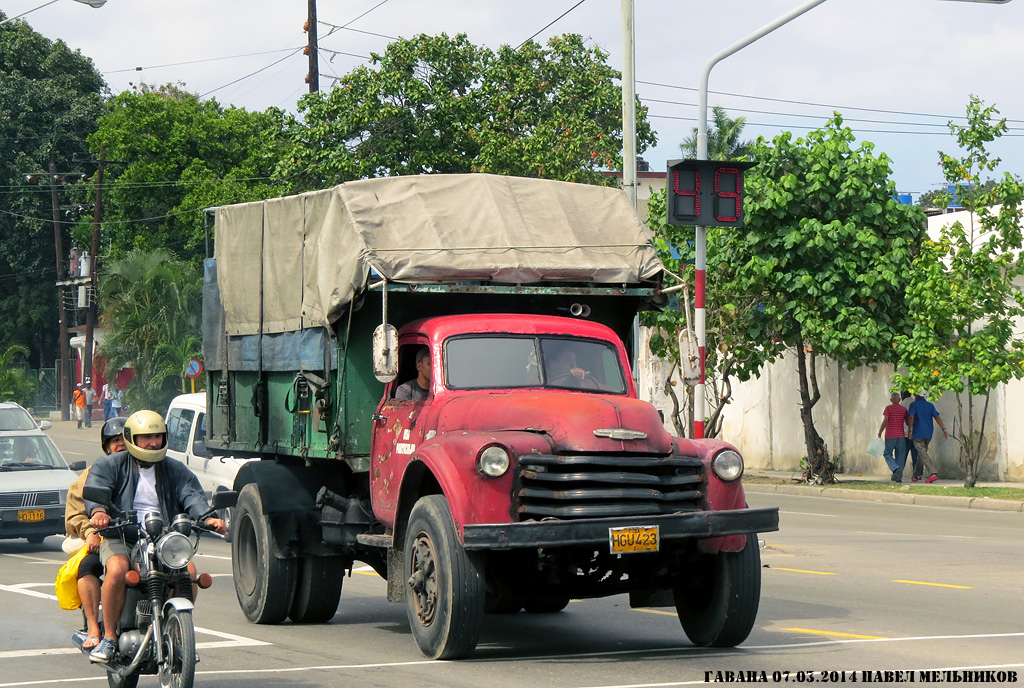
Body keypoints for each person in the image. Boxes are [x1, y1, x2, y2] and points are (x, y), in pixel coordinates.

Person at [83, 410, 226, 663]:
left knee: (189, 572)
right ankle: (109, 638)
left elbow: (191, 495)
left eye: (158, 436)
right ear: (131, 439)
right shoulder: (110, 465)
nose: (153, 443)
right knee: (116, 569)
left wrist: (207, 517)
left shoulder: (174, 469)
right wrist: (99, 512)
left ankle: (178, 632)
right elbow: (97, 492)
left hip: (164, 536)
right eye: (146, 437)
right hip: (122, 534)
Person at [63, 417, 127, 650]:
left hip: (141, 539)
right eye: (115, 441)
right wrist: (91, 532)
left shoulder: (145, 470)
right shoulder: (91, 475)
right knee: (88, 567)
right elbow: (74, 514)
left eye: (124, 440)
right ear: (107, 447)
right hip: (105, 541)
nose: (120, 445)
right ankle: (94, 627)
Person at [907, 393, 948, 483]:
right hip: (928, 433)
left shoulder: (913, 405)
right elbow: (937, 417)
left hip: (918, 433)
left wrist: (910, 430)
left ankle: (932, 472)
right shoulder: (930, 405)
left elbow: (911, 417)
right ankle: (915, 475)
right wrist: (943, 428)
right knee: (922, 454)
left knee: (922, 453)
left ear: (916, 395)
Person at [877, 392, 908, 483]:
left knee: (887, 454)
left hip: (890, 435)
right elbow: (907, 421)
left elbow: (885, 420)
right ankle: (899, 477)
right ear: (899, 400)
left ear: (891, 400)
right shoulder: (903, 409)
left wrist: (880, 432)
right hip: (901, 435)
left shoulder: (888, 408)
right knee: (900, 456)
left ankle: (895, 468)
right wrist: (910, 430)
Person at [900, 391, 919, 478]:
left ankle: (899, 472)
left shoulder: (901, 405)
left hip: (905, 433)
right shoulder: (915, 403)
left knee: (903, 454)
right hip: (916, 433)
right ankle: (917, 474)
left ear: (902, 395)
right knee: (916, 455)